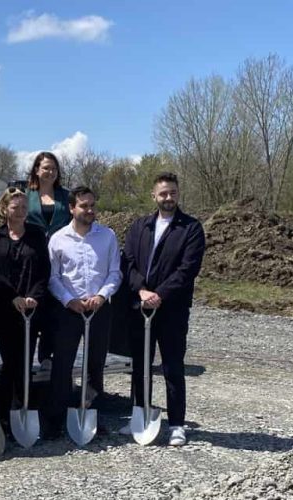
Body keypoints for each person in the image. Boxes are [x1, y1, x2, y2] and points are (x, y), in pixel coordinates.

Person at [122, 172, 205, 447]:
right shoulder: (140, 227)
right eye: (163, 193)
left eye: (173, 193)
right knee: (141, 366)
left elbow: (188, 269)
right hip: (140, 307)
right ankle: (140, 415)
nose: (168, 198)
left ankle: (177, 424)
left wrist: (160, 295)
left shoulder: (190, 229)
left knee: (172, 367)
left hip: (172, 310)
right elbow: (129, 263)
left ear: (178, 194)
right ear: (153, 196)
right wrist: (141, 291)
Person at [46, 185, 121, 438]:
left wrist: (101, 296)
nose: (89, 210)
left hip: (99, 309)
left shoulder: (107, 236)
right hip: (69, 310)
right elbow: (53, 278)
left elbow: (115, 273)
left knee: (95, 365)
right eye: (84, 205)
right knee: (62, 365)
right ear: (71, 207)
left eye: (92, 205)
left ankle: (91, 417)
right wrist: (69, 300)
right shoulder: (58, 239)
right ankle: (57, 420)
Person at [0, 187, 50, 422]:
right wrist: (12, 297)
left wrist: (34, 296)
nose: (21, 211)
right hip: (6, 309)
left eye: (24, 207)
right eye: (15, 207)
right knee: (9, 363)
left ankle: (25, 408)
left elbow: (44, 270)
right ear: (5, 209)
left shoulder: (37, 234)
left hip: (30, 311)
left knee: (25, 362)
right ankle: (3, 414)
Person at [24, 151, 72, 371]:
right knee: (34, 306)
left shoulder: (66, 196)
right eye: (45, 167)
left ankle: (46, 356)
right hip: (33, 257)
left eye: (54, 168)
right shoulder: (26, 195)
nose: (50, 172)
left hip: (60, 258)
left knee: (54, 309)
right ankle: (25, 358)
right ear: (36, 169)